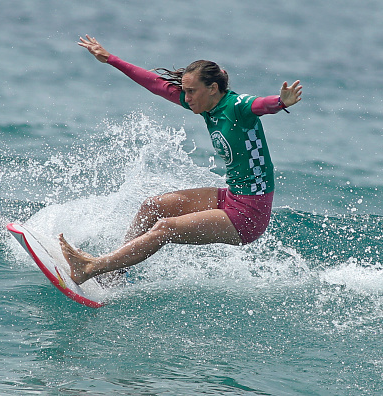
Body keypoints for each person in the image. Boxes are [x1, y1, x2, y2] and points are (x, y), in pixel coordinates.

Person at [60, 35, 302, 285]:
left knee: (166, 228)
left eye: (191, 92)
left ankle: (91, 268)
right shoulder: (207, 106)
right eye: (185, 91)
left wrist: (281, 101)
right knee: (152, 206)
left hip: (250, 213)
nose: (186, 98)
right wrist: (110, 59)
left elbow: (261, 105)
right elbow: (156, 84)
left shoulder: (238, 106)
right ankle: (114, 275)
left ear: (213, 88)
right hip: (231, 196)